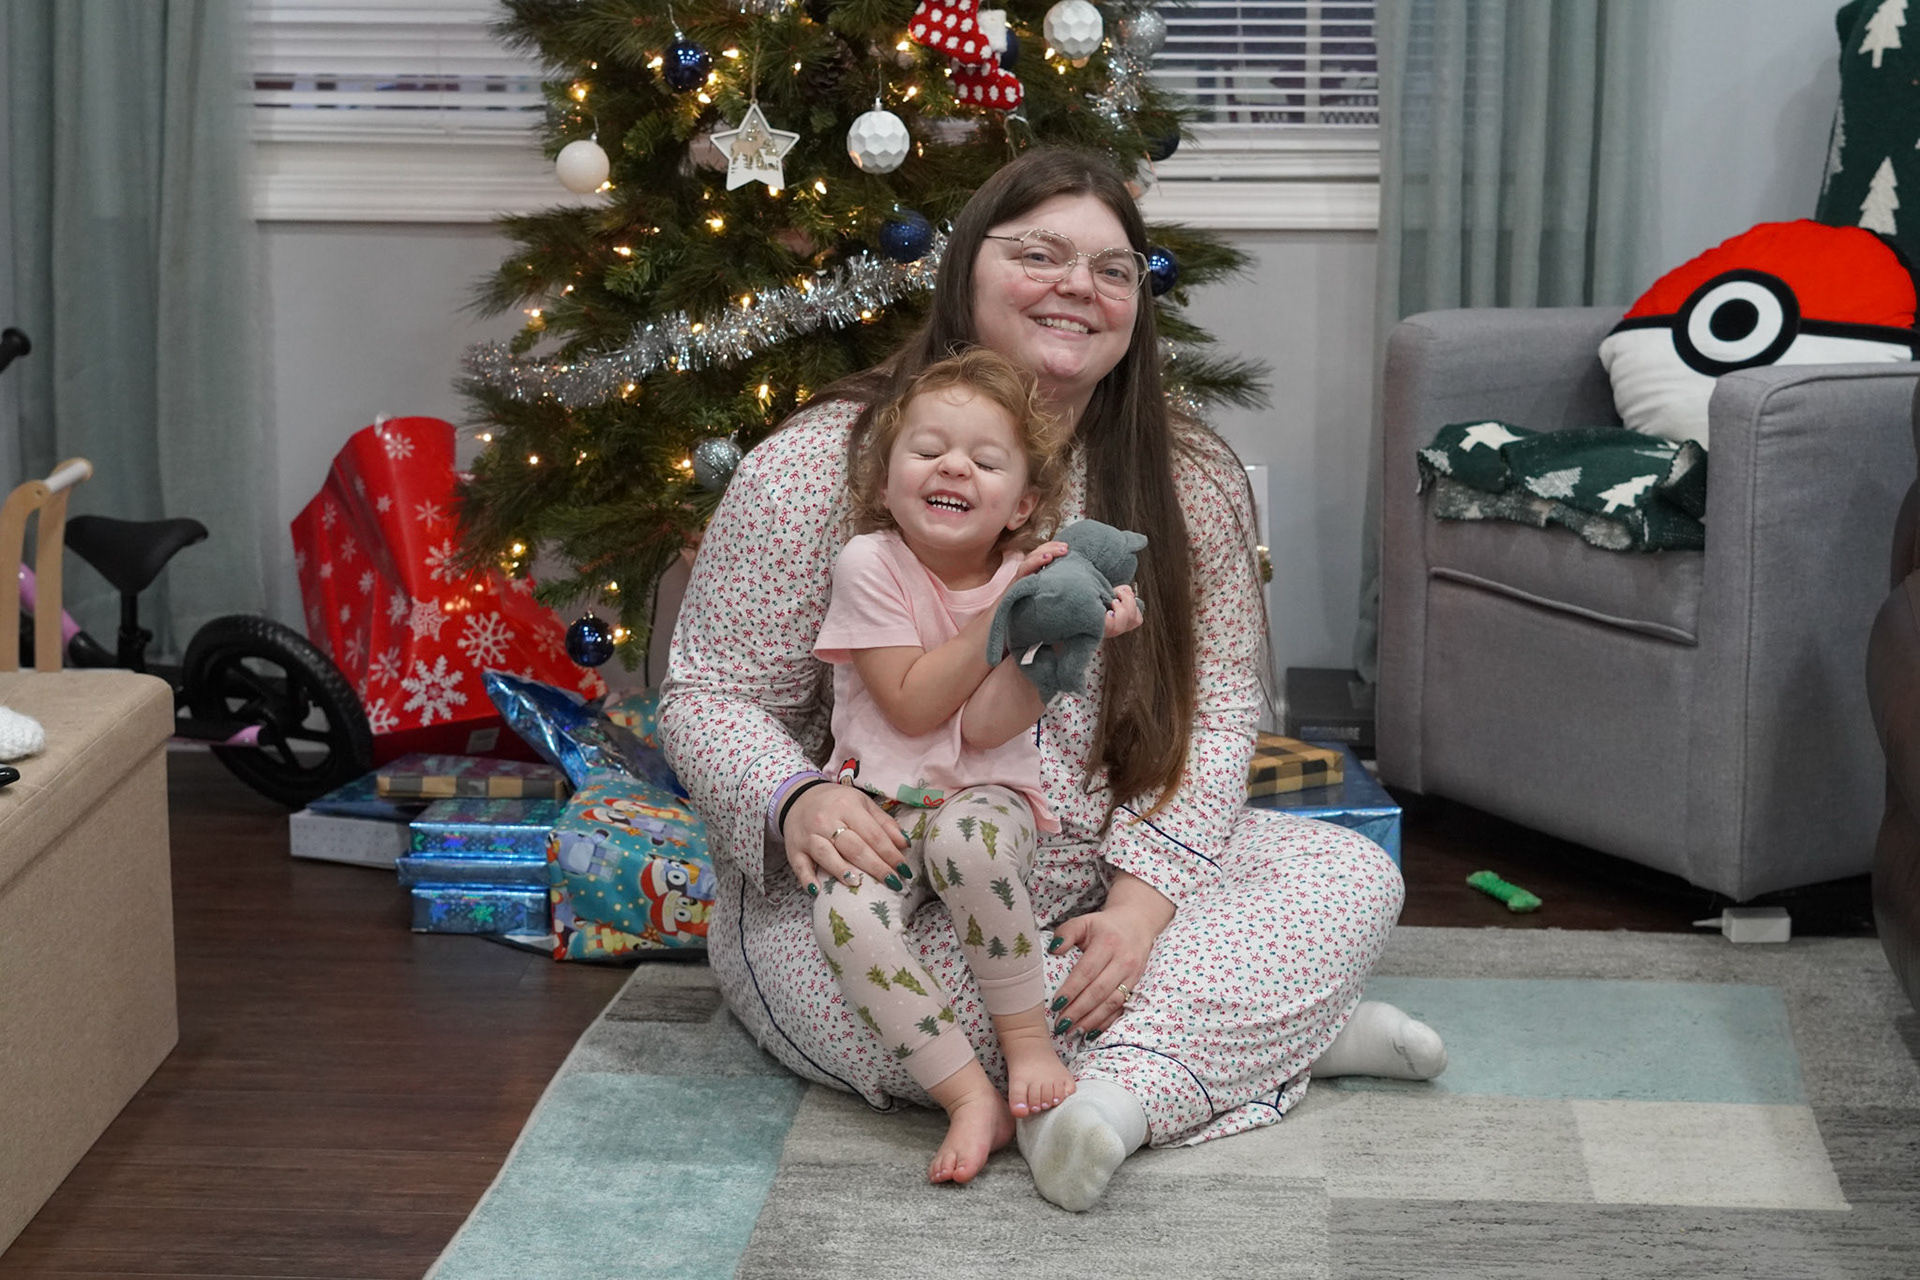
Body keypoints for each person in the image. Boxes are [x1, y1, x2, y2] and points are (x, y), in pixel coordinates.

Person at [660, 146, 1446, 1212]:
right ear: (966, 272)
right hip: (885, 884)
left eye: (1113, 270)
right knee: (906, 991)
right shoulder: (816, 463)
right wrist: (795, 798)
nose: (1078, 285)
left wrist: (1139, 912)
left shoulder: (1190, 480)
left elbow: (1221, 717)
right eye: (1038, 254)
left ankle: (1123, 1092)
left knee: (1347, 875)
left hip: (1093, 873)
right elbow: (710, 695)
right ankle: (1245, 1046)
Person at [803, 347, 1143, 1184]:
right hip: (875, 801)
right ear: (886, 482)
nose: (954, 466)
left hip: (989, 795)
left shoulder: (1029, 579)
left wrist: (1070, 638)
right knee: (844, 919)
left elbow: (989, 726)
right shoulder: (870, 564)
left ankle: (1028, 1045)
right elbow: (913, 705)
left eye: (985, 462)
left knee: (969, 844)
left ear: (1021, 505)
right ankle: (966, 1096)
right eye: (927, 451)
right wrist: (999, 616)